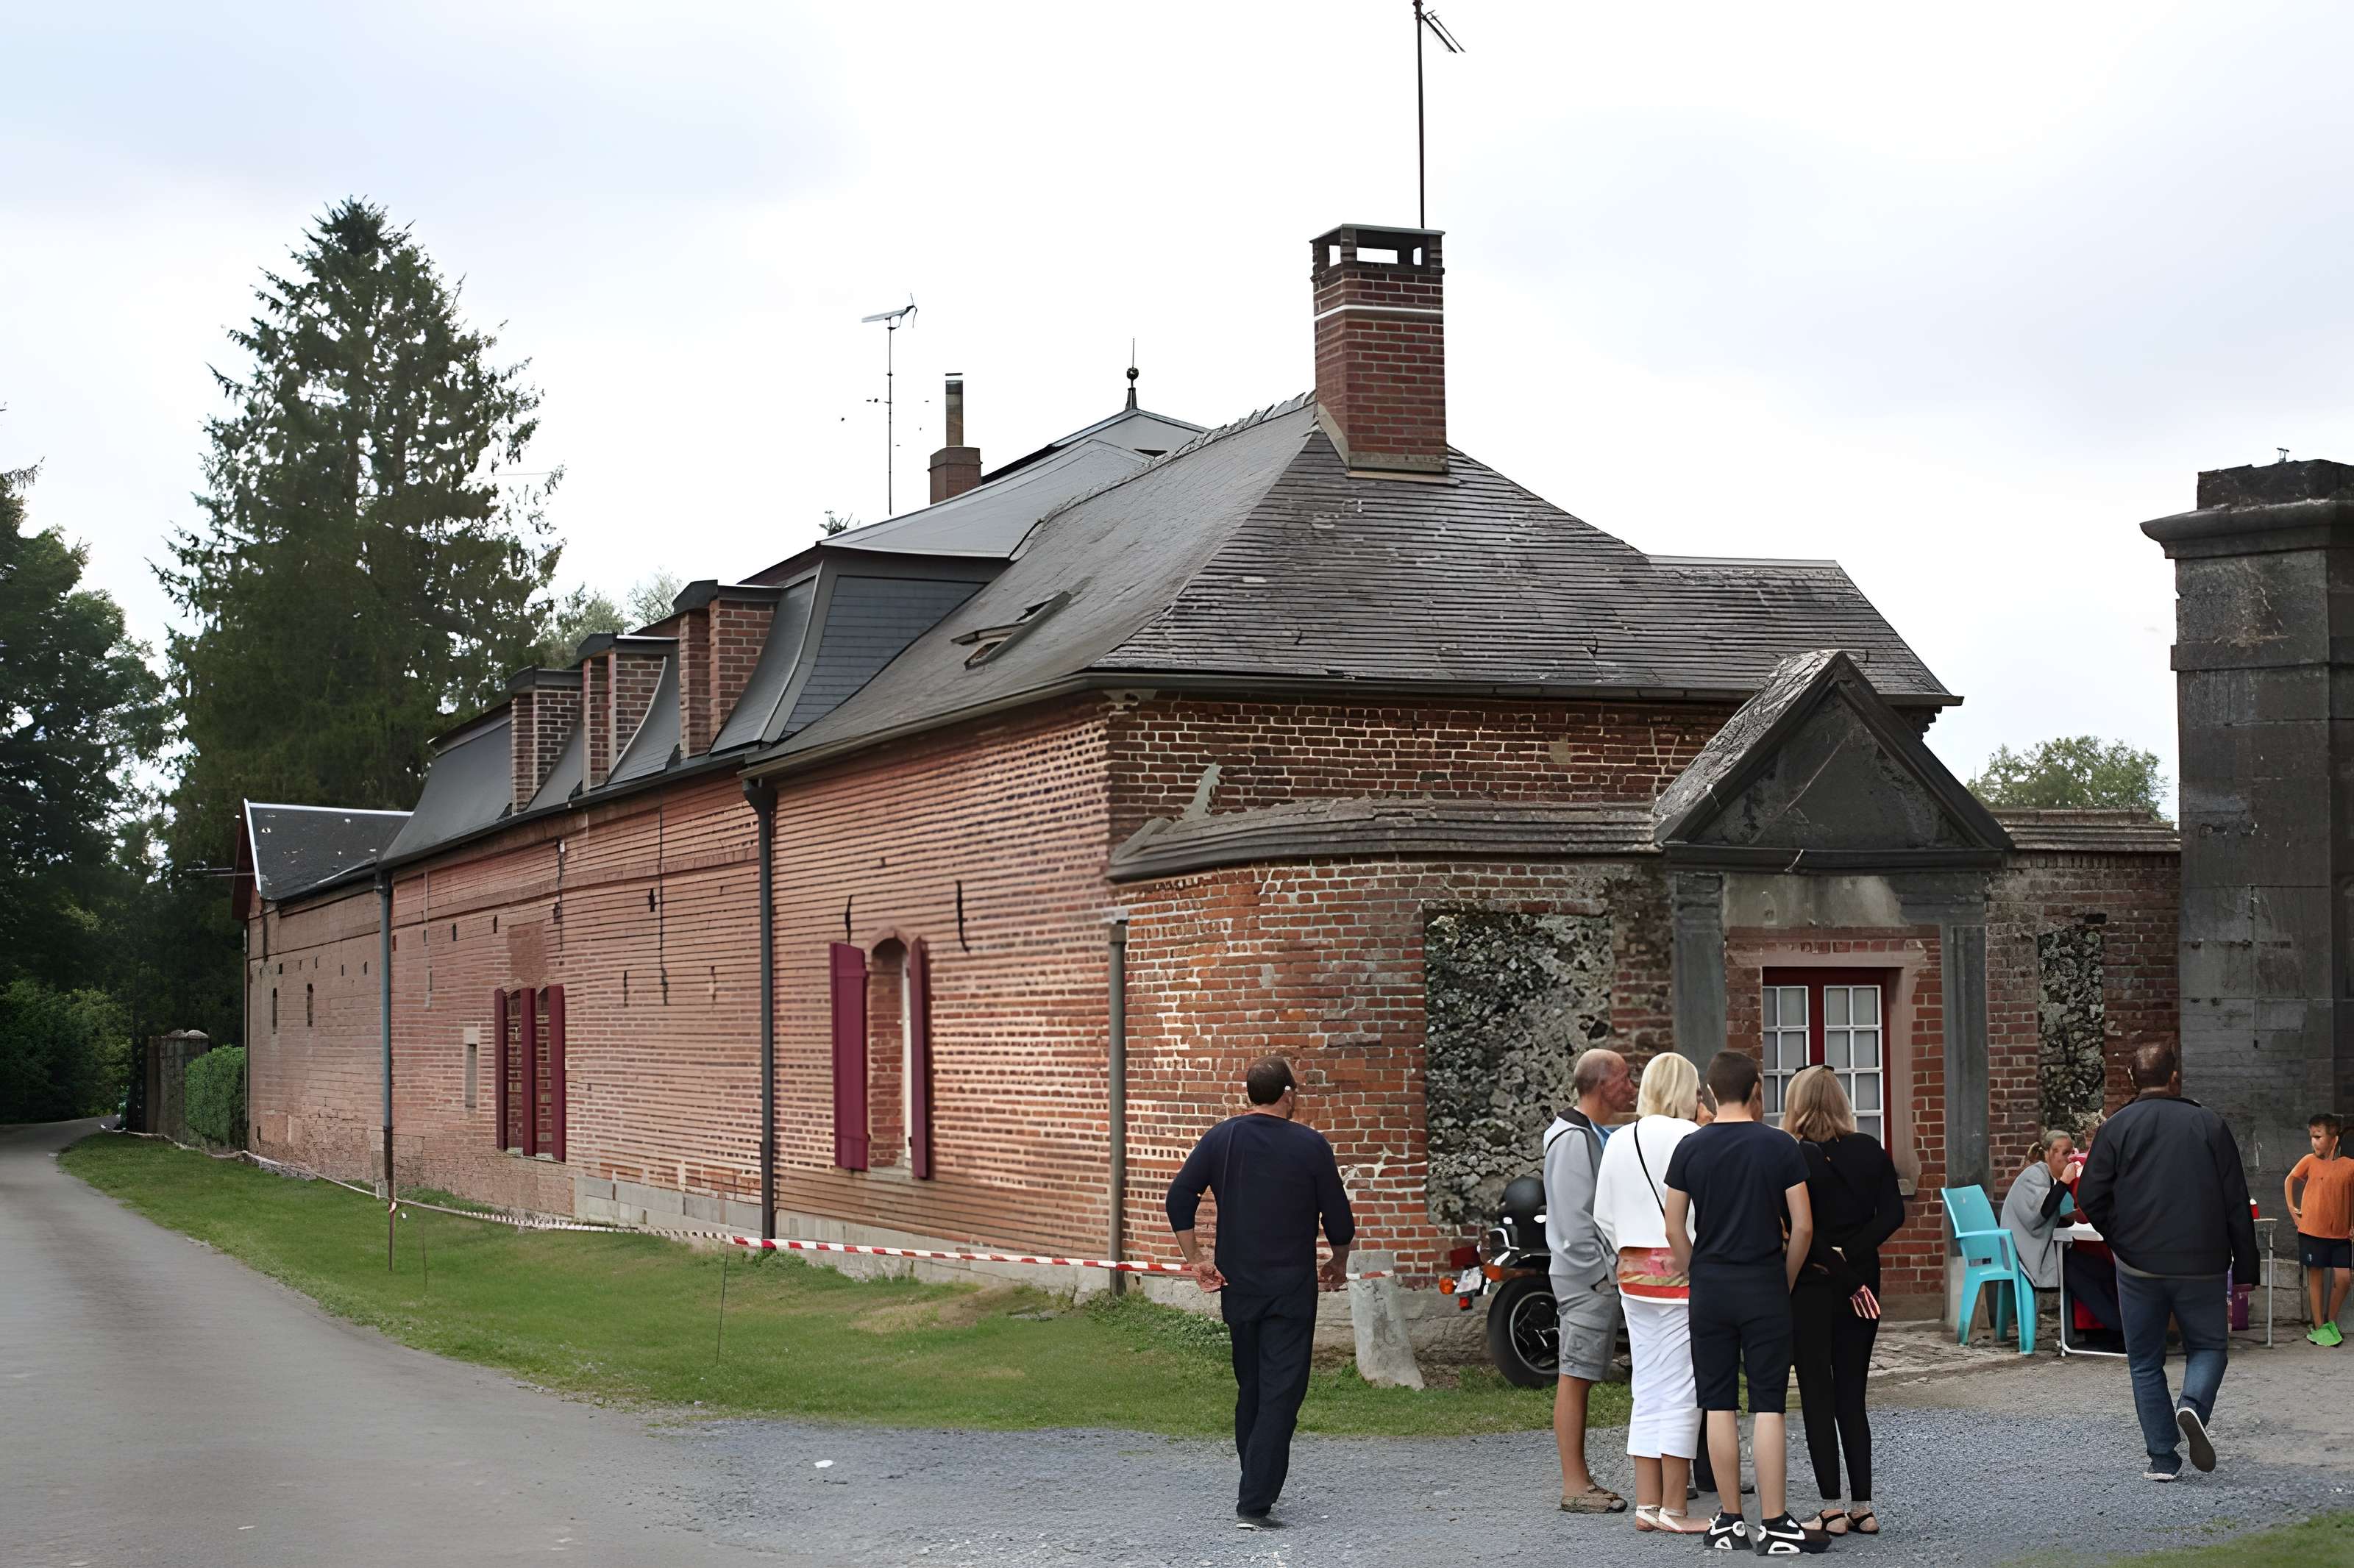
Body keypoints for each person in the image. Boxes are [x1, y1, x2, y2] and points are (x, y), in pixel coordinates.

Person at [1167, 1056, 1356, 1530]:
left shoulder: (1221, 1138)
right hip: (1291, 1289)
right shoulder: (1311, 1145)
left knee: (1251, 1386)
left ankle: (1254, 1476)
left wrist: (1197, 1260)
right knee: (1281, 1393)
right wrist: (1338, 1261)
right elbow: (1338, 1215)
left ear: (1250, 1094)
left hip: (1240, 1287)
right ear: (1287, 1094)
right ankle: (1254, 1501)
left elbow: (1179, 1198)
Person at [2077, 1037, 2258, 1483]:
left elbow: (2091, 1197)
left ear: (2131, 1079)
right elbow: (2236, 1202)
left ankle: (2162, 1459)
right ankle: (2192, 1405)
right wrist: (2247, 1270)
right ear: (2175, 1076)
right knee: (2210, 1347)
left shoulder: (2115, 1128)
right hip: (2203, 1261)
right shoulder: (2209, 1124)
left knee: (2144, 1361)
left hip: (2138, 1264)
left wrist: (2120, 1239)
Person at [1664, 1050, 1818, 1555]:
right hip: (1764, 1284)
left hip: (1710, 1286)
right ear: (1757, 1090)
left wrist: (1696, 1268)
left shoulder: (1690, 1147)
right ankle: (1774, 1523)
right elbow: (1804, 1227)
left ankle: (1729, 1520)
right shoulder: (1779, 1146)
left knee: (1718, 1401)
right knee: (1769, 1402)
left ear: (1708, 1092)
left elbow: (1673, 1225)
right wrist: (1786, 1278)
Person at [1591, 1052, 1709, 1534]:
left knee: (1649, 1386)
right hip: (1684, 1273)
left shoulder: (1620, 1140)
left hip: (1634, 1274)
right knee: (1684, 1387)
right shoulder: (1692, 1137)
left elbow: (1601, 1213)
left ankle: (1647, 1504)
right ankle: (1676, 1508)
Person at [1785, 1065, 1904, 1539]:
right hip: (1865, 1285)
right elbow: (1893, 1214)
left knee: (1817, 1392)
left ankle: (1830, 1508)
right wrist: (1855, 1263)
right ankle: (1864, 1505)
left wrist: (1836, 1262)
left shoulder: (1791, 1156)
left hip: (1813, 1284)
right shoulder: (1870, 1149)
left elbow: (1797, 1229)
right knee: (1853, 1394)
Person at [1542, 1046, 1638, 1513]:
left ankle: (1579, 1482)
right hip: (1588, 1282)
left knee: (1579, 1375)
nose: (1631, 1086)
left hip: (1595, 1279)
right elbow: (1576, 1222)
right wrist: (1603, 1276)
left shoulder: (1592, 1133)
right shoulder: (1572, 1140)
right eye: (1624, 1079)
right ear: (1603, 1085)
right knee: (1575, 1375)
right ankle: (1575, 1486)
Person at [2003, 1129, 2120, 1339]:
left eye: (2071, 1152)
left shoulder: (2048, 1177)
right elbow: (2042, 1212)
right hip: (2029, 1254)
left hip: (2051, 1249)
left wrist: (2069, 1217)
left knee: (2104, 1270)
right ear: (2048, 1154)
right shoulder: (2034, 1175)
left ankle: (2113, 1330)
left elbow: (2048, 1216)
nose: (2069, 1158)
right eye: (2064, 1153)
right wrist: (2065, 1182)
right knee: (2085, 1279)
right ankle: (2117, 1330)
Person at [2286, 1111, 2351, 1346]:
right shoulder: (2308, 1161)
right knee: (2315, 1277)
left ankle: (2331, 1321)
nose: (2314, 1142)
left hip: (2341, 1234)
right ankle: (2318, 1325)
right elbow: (2290, 1179)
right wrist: (2294, 1212)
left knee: (2343, 1278)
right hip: (2312, 1231)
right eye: (2312, 1137)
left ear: (2334, 1138)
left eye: (2319, 1137)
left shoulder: (2349, 1166)